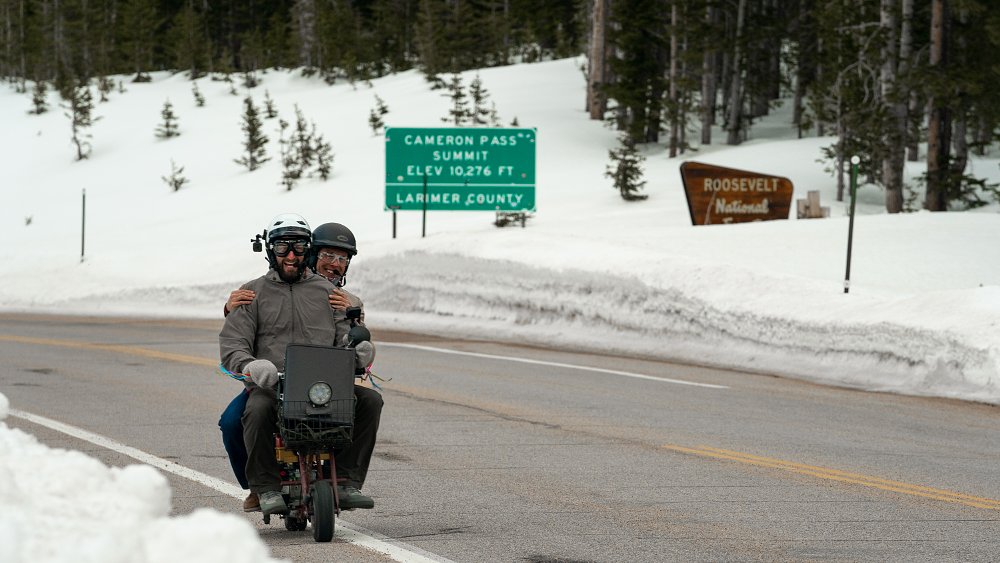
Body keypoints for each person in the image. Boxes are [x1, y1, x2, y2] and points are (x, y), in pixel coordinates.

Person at [219, 217, 382, 514]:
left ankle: (346, 481)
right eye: (282, 247)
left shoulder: (335, 296)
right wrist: (252, 366)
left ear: (307, 250)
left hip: (324, 387)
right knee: (248, 414)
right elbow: (233, 343)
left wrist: (358, 349)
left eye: (298, 247)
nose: (291, 255)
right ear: (270, 250)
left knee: (370, 400)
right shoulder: (251, 293)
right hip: (272, 384)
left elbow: (348, 334)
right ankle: (263, 488)